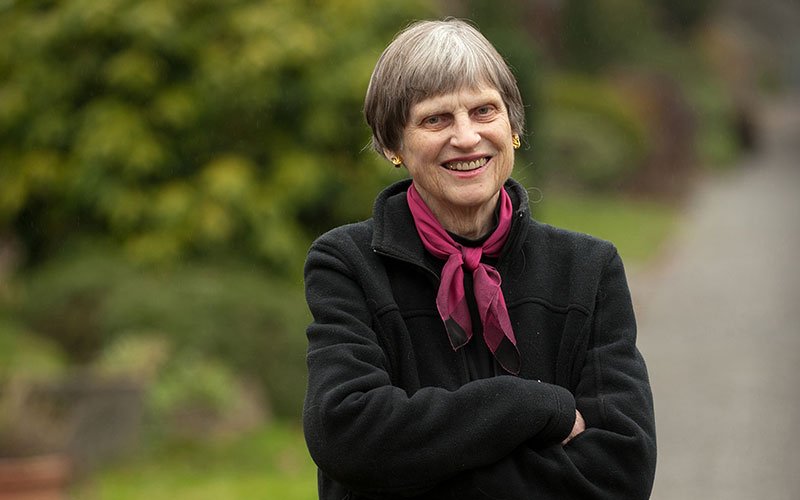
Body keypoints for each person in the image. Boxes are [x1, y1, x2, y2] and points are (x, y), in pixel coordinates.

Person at [302, 18, 656, 500]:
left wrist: (419, 472)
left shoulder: (589, 269)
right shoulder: (346, 265)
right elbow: (344, 432)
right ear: (392, 146)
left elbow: (621, 471)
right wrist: (533, 405)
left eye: (484, 111)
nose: (467, 138)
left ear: (513, 128)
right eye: (436, 119)